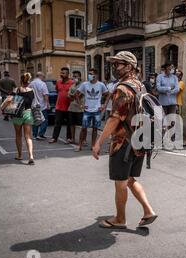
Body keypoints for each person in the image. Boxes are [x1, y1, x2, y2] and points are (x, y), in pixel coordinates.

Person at [92, 51, 158, 229]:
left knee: (121, 182)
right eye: (113, 64)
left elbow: (115, 119)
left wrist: (99, 142)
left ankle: (120, 219)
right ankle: (148, 210)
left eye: (118, 64)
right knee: (129, 179)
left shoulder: (123, 88)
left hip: (124, 143)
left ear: (129, 67)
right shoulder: (139, 85)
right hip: (140, 141)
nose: (114, 68)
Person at [0, 73, 36, 165]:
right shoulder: (32, 90)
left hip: (17, 115)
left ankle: (19, 155)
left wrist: (1, 108)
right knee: (28, 136)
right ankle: (31, 156)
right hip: (28, 113)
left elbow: (8, 100)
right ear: (29, 81)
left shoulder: (17, 90)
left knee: (18, 135)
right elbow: (33, 103)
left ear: (20, 80)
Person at [73, 68, 110, 152]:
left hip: (97, 111)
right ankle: (79, 145)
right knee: (83, 128)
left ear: (95, 75)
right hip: (87, 110)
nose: (89, 75)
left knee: (95, 129)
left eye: (91, 74)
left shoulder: (101, 85)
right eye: (89, 73)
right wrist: (81, 105)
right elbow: (76, 94)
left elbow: (108, 94)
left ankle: (93, 145)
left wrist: (104, 105)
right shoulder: (85, 84)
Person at [50, 67, 74, 144]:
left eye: (63, 73)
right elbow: (57, 90)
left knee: (69, 124)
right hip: (59, 106)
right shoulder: (58, 82)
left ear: (68, 74)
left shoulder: (72, 83)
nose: (61, 74)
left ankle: (69, 138)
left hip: (69, 107)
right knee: (57, 123)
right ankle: (54, 138)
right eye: (61, 73)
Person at [30, 72, 50, 140]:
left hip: (33, 104)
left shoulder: (31, 83)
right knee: (44, 120)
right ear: (40, 76)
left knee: (36, 120)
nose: (43, 78)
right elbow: (45, 95)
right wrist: (48, 104)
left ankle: (34, 135)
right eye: (43, 76)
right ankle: (40, 134)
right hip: (42, 105)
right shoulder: (42, 84)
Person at [67, 71, 84, 145]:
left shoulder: (83, 85)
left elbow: (79, 96)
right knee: (72, 124)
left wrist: (72, 95)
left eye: (76, 76)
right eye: (74, 76)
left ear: (80, 77)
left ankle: (83, 140)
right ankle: (73, 139)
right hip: (72, 108)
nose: (75, 78)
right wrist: (72, 95)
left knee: (82, 126)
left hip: (80, 108)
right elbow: (68, 96)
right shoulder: (72, 85)